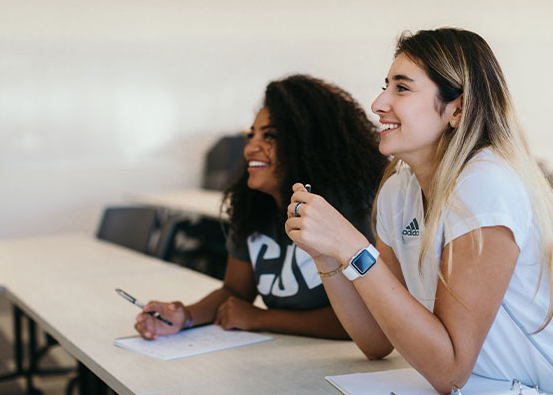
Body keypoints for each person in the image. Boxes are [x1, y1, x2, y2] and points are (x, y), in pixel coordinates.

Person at [285, 28, 553, 394]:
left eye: (402, 88)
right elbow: (377, 340)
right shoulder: (399, 188)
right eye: (386, 85)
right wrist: (328, 255)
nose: (378, 103)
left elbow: (450, 371)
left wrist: (353, 248)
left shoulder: (485, 183)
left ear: (457, 109)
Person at [135, 74, 387, 340]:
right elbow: (235, 291)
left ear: (307, 143)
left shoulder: (353, 207)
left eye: (269, 136)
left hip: (343, 365)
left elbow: (366, 320)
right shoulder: (252, 205)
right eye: (251, 135)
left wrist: (261, 318)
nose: (250, 148)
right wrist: (184, 316)